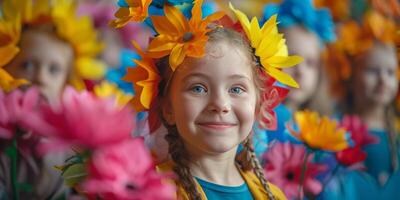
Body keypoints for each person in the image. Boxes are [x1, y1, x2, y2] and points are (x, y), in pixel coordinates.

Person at [118, 0, 303, 198]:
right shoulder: (150, 191)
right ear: (167, 107)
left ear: (258, 105)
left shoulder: (273, 195)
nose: (220, 104)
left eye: (237, 89)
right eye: (198, 88)